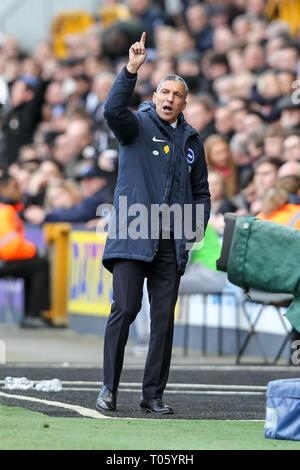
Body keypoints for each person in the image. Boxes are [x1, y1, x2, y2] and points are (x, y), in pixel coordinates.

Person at [96, 33, 210, 414]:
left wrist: (189, 237)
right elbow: (112, 111)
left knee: (163, 322)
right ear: (155, 95)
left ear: (184, 102)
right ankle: (108, 389)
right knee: (125, 310)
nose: (169, 99)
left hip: (170, 241)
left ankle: (152, 396)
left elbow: (202, 193)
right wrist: (131, 70)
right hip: (133, 230)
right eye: (164, 92)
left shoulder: (193, 141)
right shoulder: (136, 126)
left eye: (177, 95)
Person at [0, 173, 50, 328]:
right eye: (15, 187)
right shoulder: (4, 211)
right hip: (3, 261)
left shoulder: (10, 209)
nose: (19, 190)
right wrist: (34, 250)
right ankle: (33, 314)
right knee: (39, 264)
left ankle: (31, 314)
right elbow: (9, 248)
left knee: (34, 265)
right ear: (3, 189)